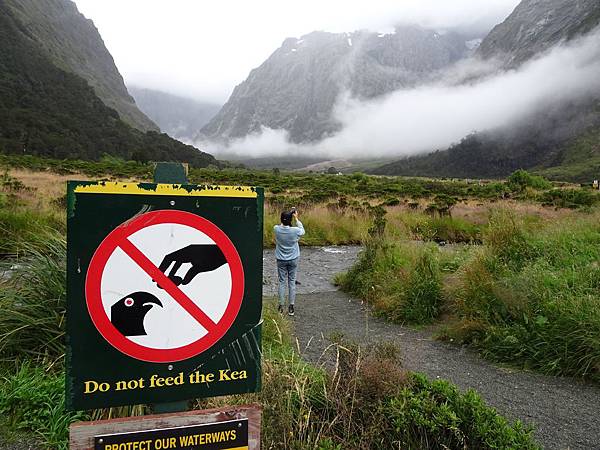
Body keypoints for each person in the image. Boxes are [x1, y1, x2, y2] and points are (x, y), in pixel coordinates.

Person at [274, 208, 305, 316]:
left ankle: (281, 307)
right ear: (290, 220)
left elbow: (281, 224)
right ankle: (291, 307)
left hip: (281, 259)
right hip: (293, 259)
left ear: (281, 219)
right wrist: (296, 218)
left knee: (282, 282)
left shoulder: (276, 229)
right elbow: (302, 230)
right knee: (291, 282)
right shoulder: (295, 231)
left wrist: (287, 216)